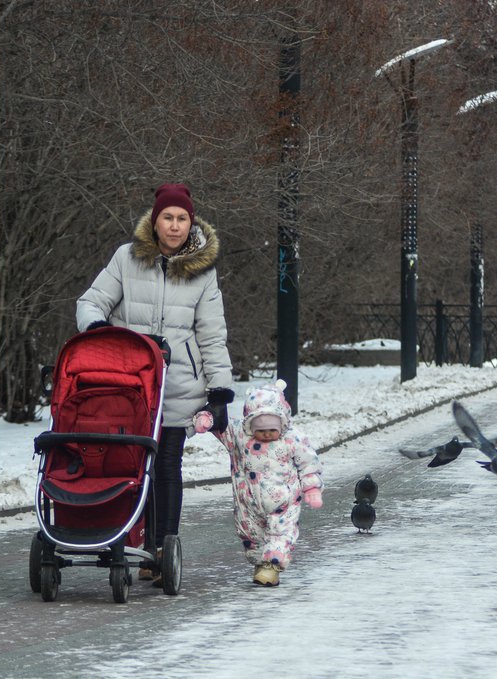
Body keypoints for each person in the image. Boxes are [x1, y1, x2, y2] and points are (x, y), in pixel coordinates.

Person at [76, 183, 234, 585]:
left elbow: (212, 334)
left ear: (191, 222)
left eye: (182, 218)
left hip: (179, 383)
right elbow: (90, 302)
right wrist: (101, 334)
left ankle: (162, 550)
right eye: (168, 217)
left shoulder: (202, 271)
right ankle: (131, 541)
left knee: (165, 466)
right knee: (131, 466)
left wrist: (218, 393)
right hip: (128, 382)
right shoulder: (127, 259)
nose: (175, 226)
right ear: (156, 219)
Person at [194, 379, 324, 587]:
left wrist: (312, 488)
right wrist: (207, 419)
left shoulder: (292, 439)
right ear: (250, 424)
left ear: (282, 423)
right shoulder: (241, 436)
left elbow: (308, 463)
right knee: (250, 534)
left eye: (272, 429)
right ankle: (260, 561)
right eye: (260, 430)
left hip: (284, 501)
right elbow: (222, 427)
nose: (266, 435)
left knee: (281, 534)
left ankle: (271, 566)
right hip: (248, 502)